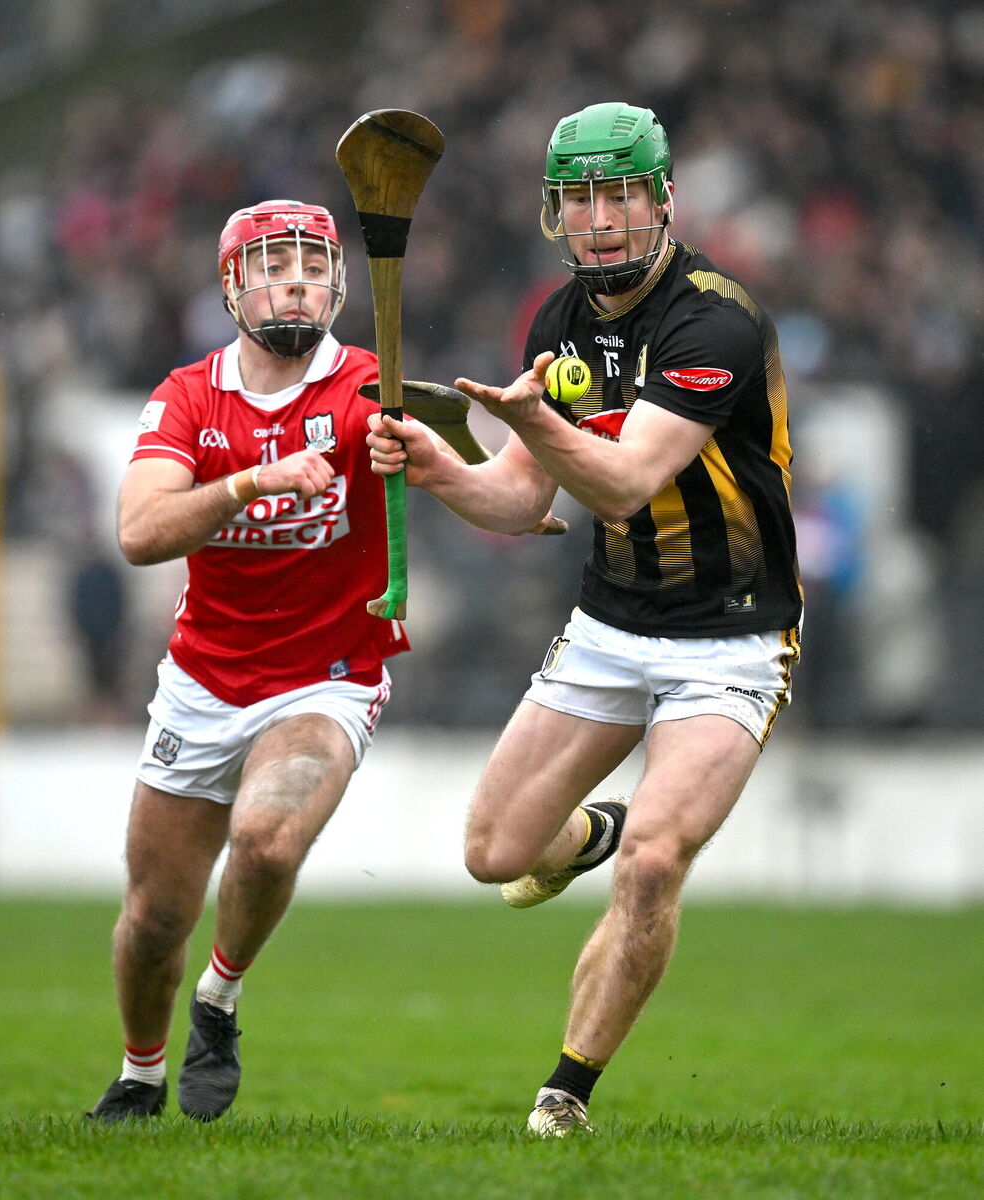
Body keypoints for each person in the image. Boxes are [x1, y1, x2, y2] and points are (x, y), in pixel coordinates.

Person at [368, 102, 802, 1137]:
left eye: (621, 194)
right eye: (580, 199)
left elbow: (618, 482)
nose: (601, 218)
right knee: (492, 851)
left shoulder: (714, 320)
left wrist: (523, 422)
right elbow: (524, 504)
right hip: (611, 625)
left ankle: (565, 1092)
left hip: (731, 635)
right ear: (554, 212)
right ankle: (585, 833)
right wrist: (436, 467)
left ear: (660, 201)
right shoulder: (558, 323)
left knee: (654, 859)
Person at [87, 199, 410, 1121]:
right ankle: (141, 1077)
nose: (296, 282)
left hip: (329, 674)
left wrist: (465, 467)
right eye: (273, 266)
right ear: (233, 286)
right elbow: (141, 531)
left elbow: (466, 478)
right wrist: (252, 480)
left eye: (312, 265)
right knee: (154, 918)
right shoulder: (190, 396)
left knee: (267, 838)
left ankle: (220, 1000)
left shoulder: (370, 385)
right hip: (204, 681)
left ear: (340, 282)